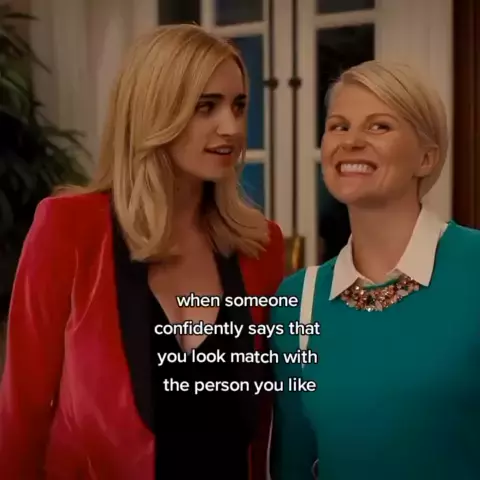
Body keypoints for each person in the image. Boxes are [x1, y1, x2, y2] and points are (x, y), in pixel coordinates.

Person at [0, 24, 285, 480]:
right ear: (154, 112)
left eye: (238, 105)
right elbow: (22, 412)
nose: (231, 128)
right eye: (206, 107)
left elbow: (267, 424)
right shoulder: (68, 229)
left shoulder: (261, 246)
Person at [269, 60, 480, 480]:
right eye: (339, 126)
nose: (351, 141)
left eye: (379, 126)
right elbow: (293, 463)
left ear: (426, 158)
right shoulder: (297, 302)